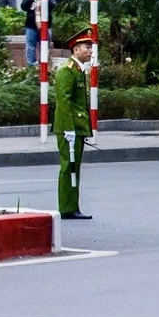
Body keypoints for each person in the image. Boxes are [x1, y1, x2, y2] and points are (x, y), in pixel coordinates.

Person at [53, 30, 94, 220]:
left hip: (76, 128)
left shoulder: (78, 70)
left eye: (91, 47)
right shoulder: (67, 71)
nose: (91, 51)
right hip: (69, 128)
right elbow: (64, 102)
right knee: (68, 167)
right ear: (76, 49)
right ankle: (67, 207)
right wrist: (68, 128)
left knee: (74, 167)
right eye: (87, 47)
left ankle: (72, 206)